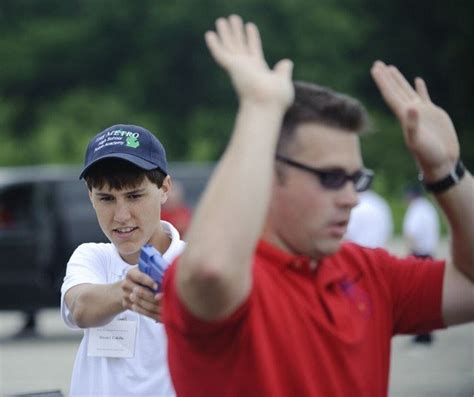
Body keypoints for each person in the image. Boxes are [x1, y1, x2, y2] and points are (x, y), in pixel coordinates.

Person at [158, 15, 473, 396]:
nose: (352, 198)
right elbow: (212, 269)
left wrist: (446, 172)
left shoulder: (366, 272)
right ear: (269, 174)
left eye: (356, 179)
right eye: (331, 178)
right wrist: (261, 107)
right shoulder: (234, 281)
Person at [60, 124, 185, 396]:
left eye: (134, 196)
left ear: (164, 188)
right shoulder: (91, 257)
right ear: (90, 196)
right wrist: (128, 291)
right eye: (106, 198)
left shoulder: (192, 264)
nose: (121, 216)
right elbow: (81, 308)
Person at [403, 183, 441, 343]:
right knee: (427, 296)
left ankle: (422, 333)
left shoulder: (416, 210)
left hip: (419, 256)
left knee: (418, 296)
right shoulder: (428, 208)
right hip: (429, 255)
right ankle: (426, 331)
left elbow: (412, 233)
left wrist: (408, 253)